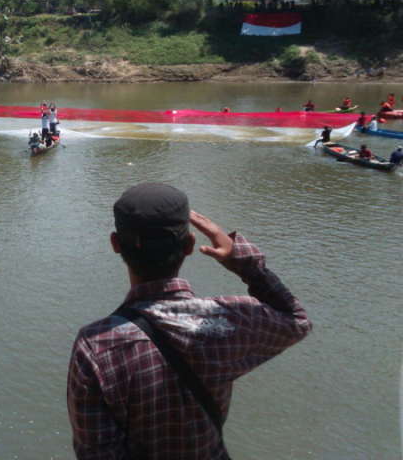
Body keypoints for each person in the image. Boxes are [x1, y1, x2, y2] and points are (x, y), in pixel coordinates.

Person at [67, 183, 311, 459]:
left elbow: (96, 453)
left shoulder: (95, 346)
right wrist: (243, 261)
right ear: (190, 245)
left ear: (115, 244)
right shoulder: (227, 320)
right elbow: (296, 320)